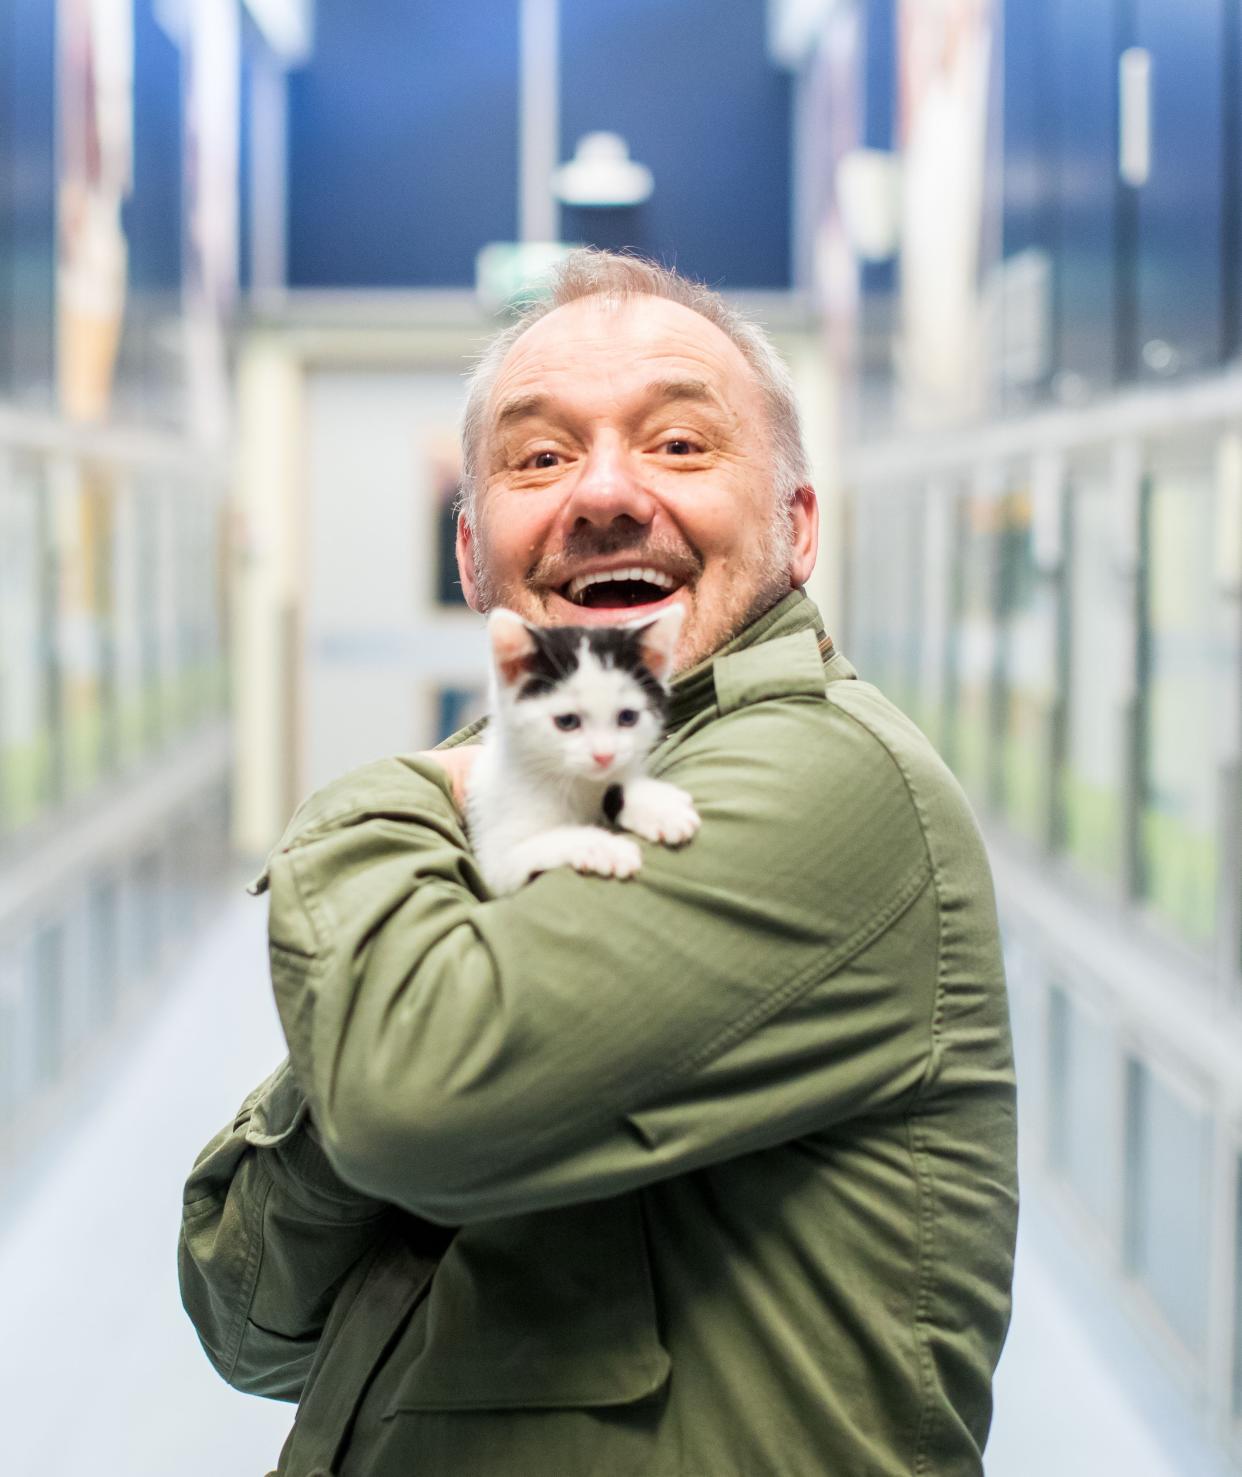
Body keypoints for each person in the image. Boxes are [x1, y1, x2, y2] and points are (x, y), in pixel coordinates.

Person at [179, 249, 1018, 1477]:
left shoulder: (825, 784)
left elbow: (404, 1094)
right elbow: (247, 1313)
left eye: (681, 445)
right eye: (539, 455)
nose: (608, 493)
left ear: (796, 525)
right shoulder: (519, 798)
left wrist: (394, 801)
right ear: (472, 554)